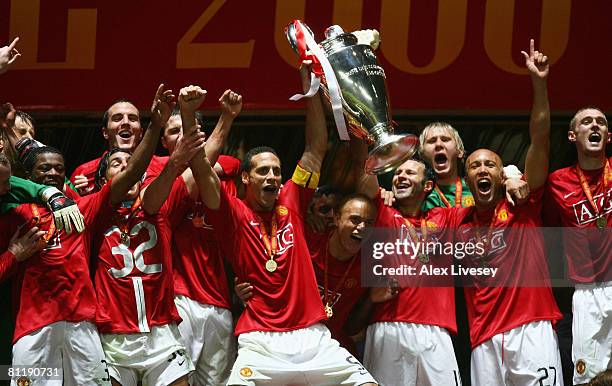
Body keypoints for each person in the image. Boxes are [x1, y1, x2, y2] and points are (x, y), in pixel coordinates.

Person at [192, 62, 378, 385]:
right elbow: (201, 170)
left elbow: (315, 148)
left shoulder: (291, 200)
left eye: (277, 171)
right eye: (263, 171)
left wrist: (311, 91)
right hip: (261, 340)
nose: (273, 177)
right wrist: (215, 117)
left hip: (313, 336)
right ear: (246, 178)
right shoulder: (232, 213)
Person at [452, 40, 563, 385]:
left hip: (532, 329)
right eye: (474, 165)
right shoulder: (457, 221)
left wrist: (539, 83)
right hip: (483, 340)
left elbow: (540, 138)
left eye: (490, 164)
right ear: (466, 176)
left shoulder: (523, 205)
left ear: (502, 175)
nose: (482, 169)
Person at [157, 89, 242, 385]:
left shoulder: (226, 171)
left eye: (188, 129)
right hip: (178, 298)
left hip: (219, 301)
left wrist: (214, 160)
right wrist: (226, 119)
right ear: (163, 141)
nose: (182, 136)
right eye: (173, 131)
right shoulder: (155, 172)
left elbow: (228, 163)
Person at [356, 151, 463, 386]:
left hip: (436, 329)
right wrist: (362, 138)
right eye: (398, 172)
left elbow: (487, 203)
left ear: (427, 186)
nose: (401, 176)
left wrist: (511, 174)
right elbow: (364, 176)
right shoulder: (382, 213)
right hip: (387, 326)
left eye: (409, 172)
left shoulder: (445, 218)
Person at [236, 193, 378, 356]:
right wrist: (245, 289)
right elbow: (269, 267)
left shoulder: (369, 265)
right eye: (354, 219)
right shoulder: (306, 241)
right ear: (336, 219)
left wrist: (371, 300)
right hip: (287, 336)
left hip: (329, 346)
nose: (362, 227)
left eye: (369, 223)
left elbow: (352, 328)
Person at [544, 105, 611, 384]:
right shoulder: (557, 181)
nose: (594, 126)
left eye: (600, 122)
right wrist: (511, 174)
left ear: (608, 136)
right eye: (586, 122)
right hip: (586, 292)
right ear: (573, 135)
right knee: (588, 378)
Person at [70, 98, 167, 195]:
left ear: (141, 133)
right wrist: (78, 197)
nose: (126, 122)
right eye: (117, 119)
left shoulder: (163, 166)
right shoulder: (84, 172)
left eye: (132, 119)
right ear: (105, 133)